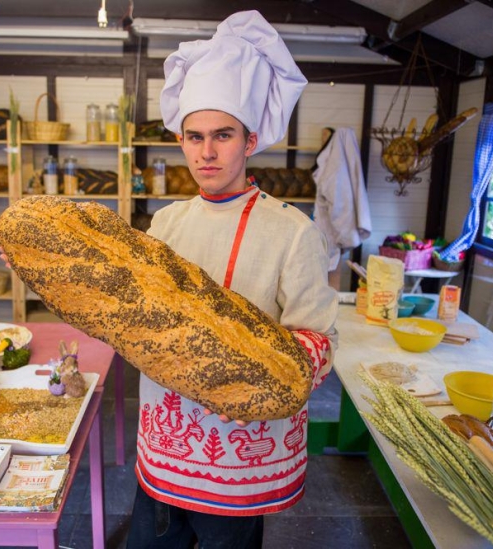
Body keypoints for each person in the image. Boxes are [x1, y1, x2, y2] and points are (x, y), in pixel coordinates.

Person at [126, 10, 338, 549]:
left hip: (240, 459)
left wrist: (250, 386)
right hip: (166, 448)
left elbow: (316, 341)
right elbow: (130, 313)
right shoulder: (166, 223)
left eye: (223, 134)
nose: (207, 151)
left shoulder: (293, 231)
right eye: (194, 136)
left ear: (250, 140)